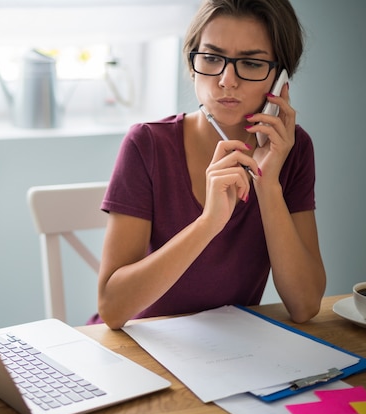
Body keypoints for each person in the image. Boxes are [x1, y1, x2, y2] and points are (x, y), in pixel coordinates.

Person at [90, 0, 326, 330]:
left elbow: (304, 305)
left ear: (281, 80)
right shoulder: (146, 145)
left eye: (251, 63)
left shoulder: (294, 151)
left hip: (229, 354)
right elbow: (112, 309)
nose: (227, 80)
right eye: (212, 58)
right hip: (137, 347)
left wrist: (267, 184)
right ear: (191, 64)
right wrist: (209, 222)